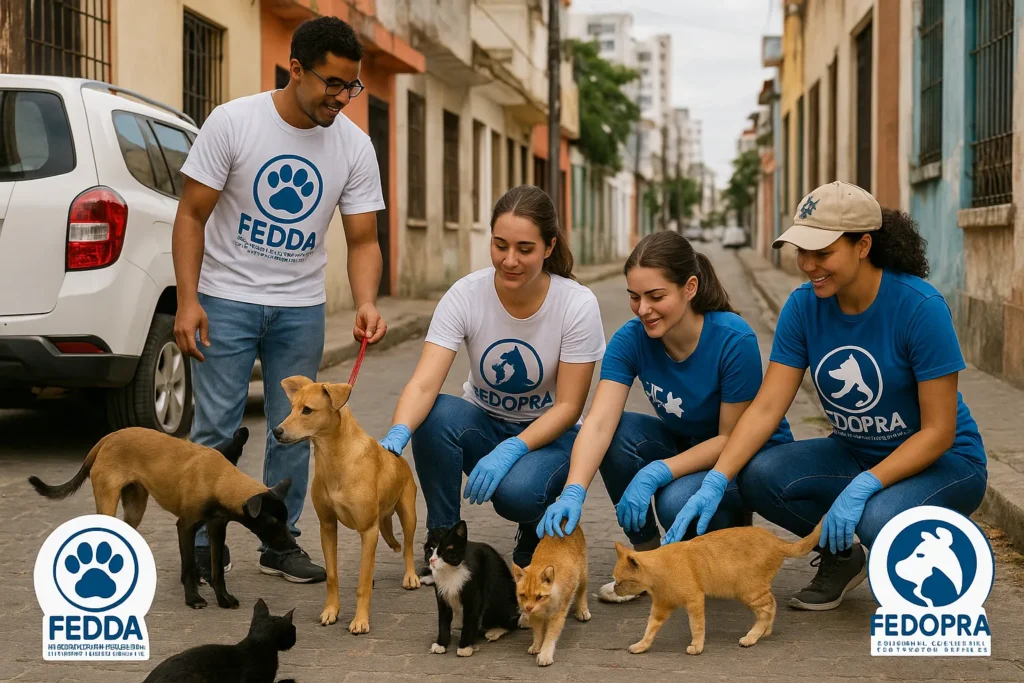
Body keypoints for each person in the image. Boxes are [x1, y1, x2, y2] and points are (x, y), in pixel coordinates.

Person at [671, 181, 988, 611]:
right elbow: (766, 408)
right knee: (759, 474)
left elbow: (938, 431)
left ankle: (930, 527)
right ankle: (842, 557)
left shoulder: (919, 306)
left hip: (945, 462)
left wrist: (864, 487)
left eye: (823, 253)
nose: (808, 265)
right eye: (802, 251)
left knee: (877, 519)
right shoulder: (803, 307)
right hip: (855, 451)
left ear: (863, 246)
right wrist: (716, 480)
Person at [172, 16, 388, 584]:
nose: (342, 98)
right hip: (226, 296)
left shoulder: (354, 145)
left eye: (352, 87)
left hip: (300, 306)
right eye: (332, 84)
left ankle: (280, 540)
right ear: (295, 69)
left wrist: (365, 300)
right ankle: (200, 541)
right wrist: (188, 300)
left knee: (297, 428)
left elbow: (364, 239)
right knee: (215, 429)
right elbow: (191, 214)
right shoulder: (234, 123)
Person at [535, 231, 794, 602]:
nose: (643, 309)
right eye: (634, 297)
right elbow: (599, 422)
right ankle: (646, 561)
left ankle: (731, 532)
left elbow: (730, 438)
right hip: (687, 447)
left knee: (674, 502)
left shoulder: (732, 340)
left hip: (743, 460)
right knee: (618, 431)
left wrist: (655, 471)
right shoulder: (631, 339)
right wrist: (574, 490)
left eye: (656, 297)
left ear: (690, 288)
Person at [377, 185, 606, 573]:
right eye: (500, 245)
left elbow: (569, 407)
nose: (510, 260)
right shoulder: (466, 294)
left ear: (549, 247)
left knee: (517, 494)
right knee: (433, 415)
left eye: (524, 249)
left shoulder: (576, 304)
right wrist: (396, 436)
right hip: (484, 423)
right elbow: (423, 384)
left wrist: (513, 449)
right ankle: (444, 540)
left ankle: (535, 527)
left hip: (553, 435)